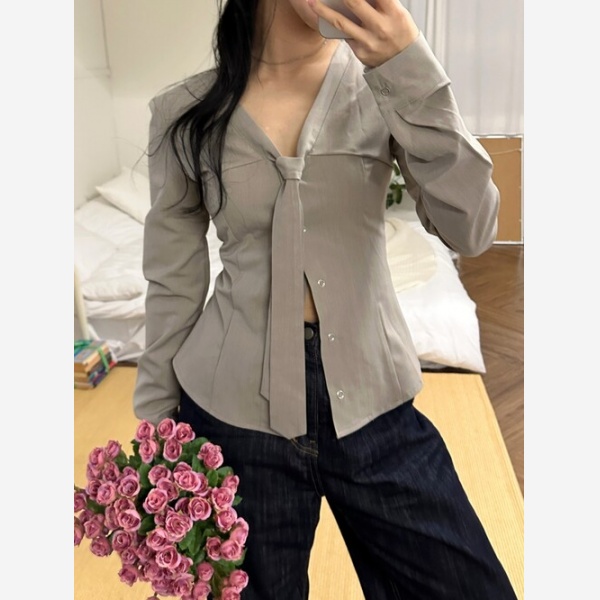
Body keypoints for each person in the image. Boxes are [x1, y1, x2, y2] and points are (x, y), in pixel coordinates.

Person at [133, 0, 519, 598]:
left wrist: (409, 66)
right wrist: (158, 432)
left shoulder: (385, 85)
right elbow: (173, 282)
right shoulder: (184, 111)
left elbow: (473, 230)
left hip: (374, 401)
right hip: (231, 417)